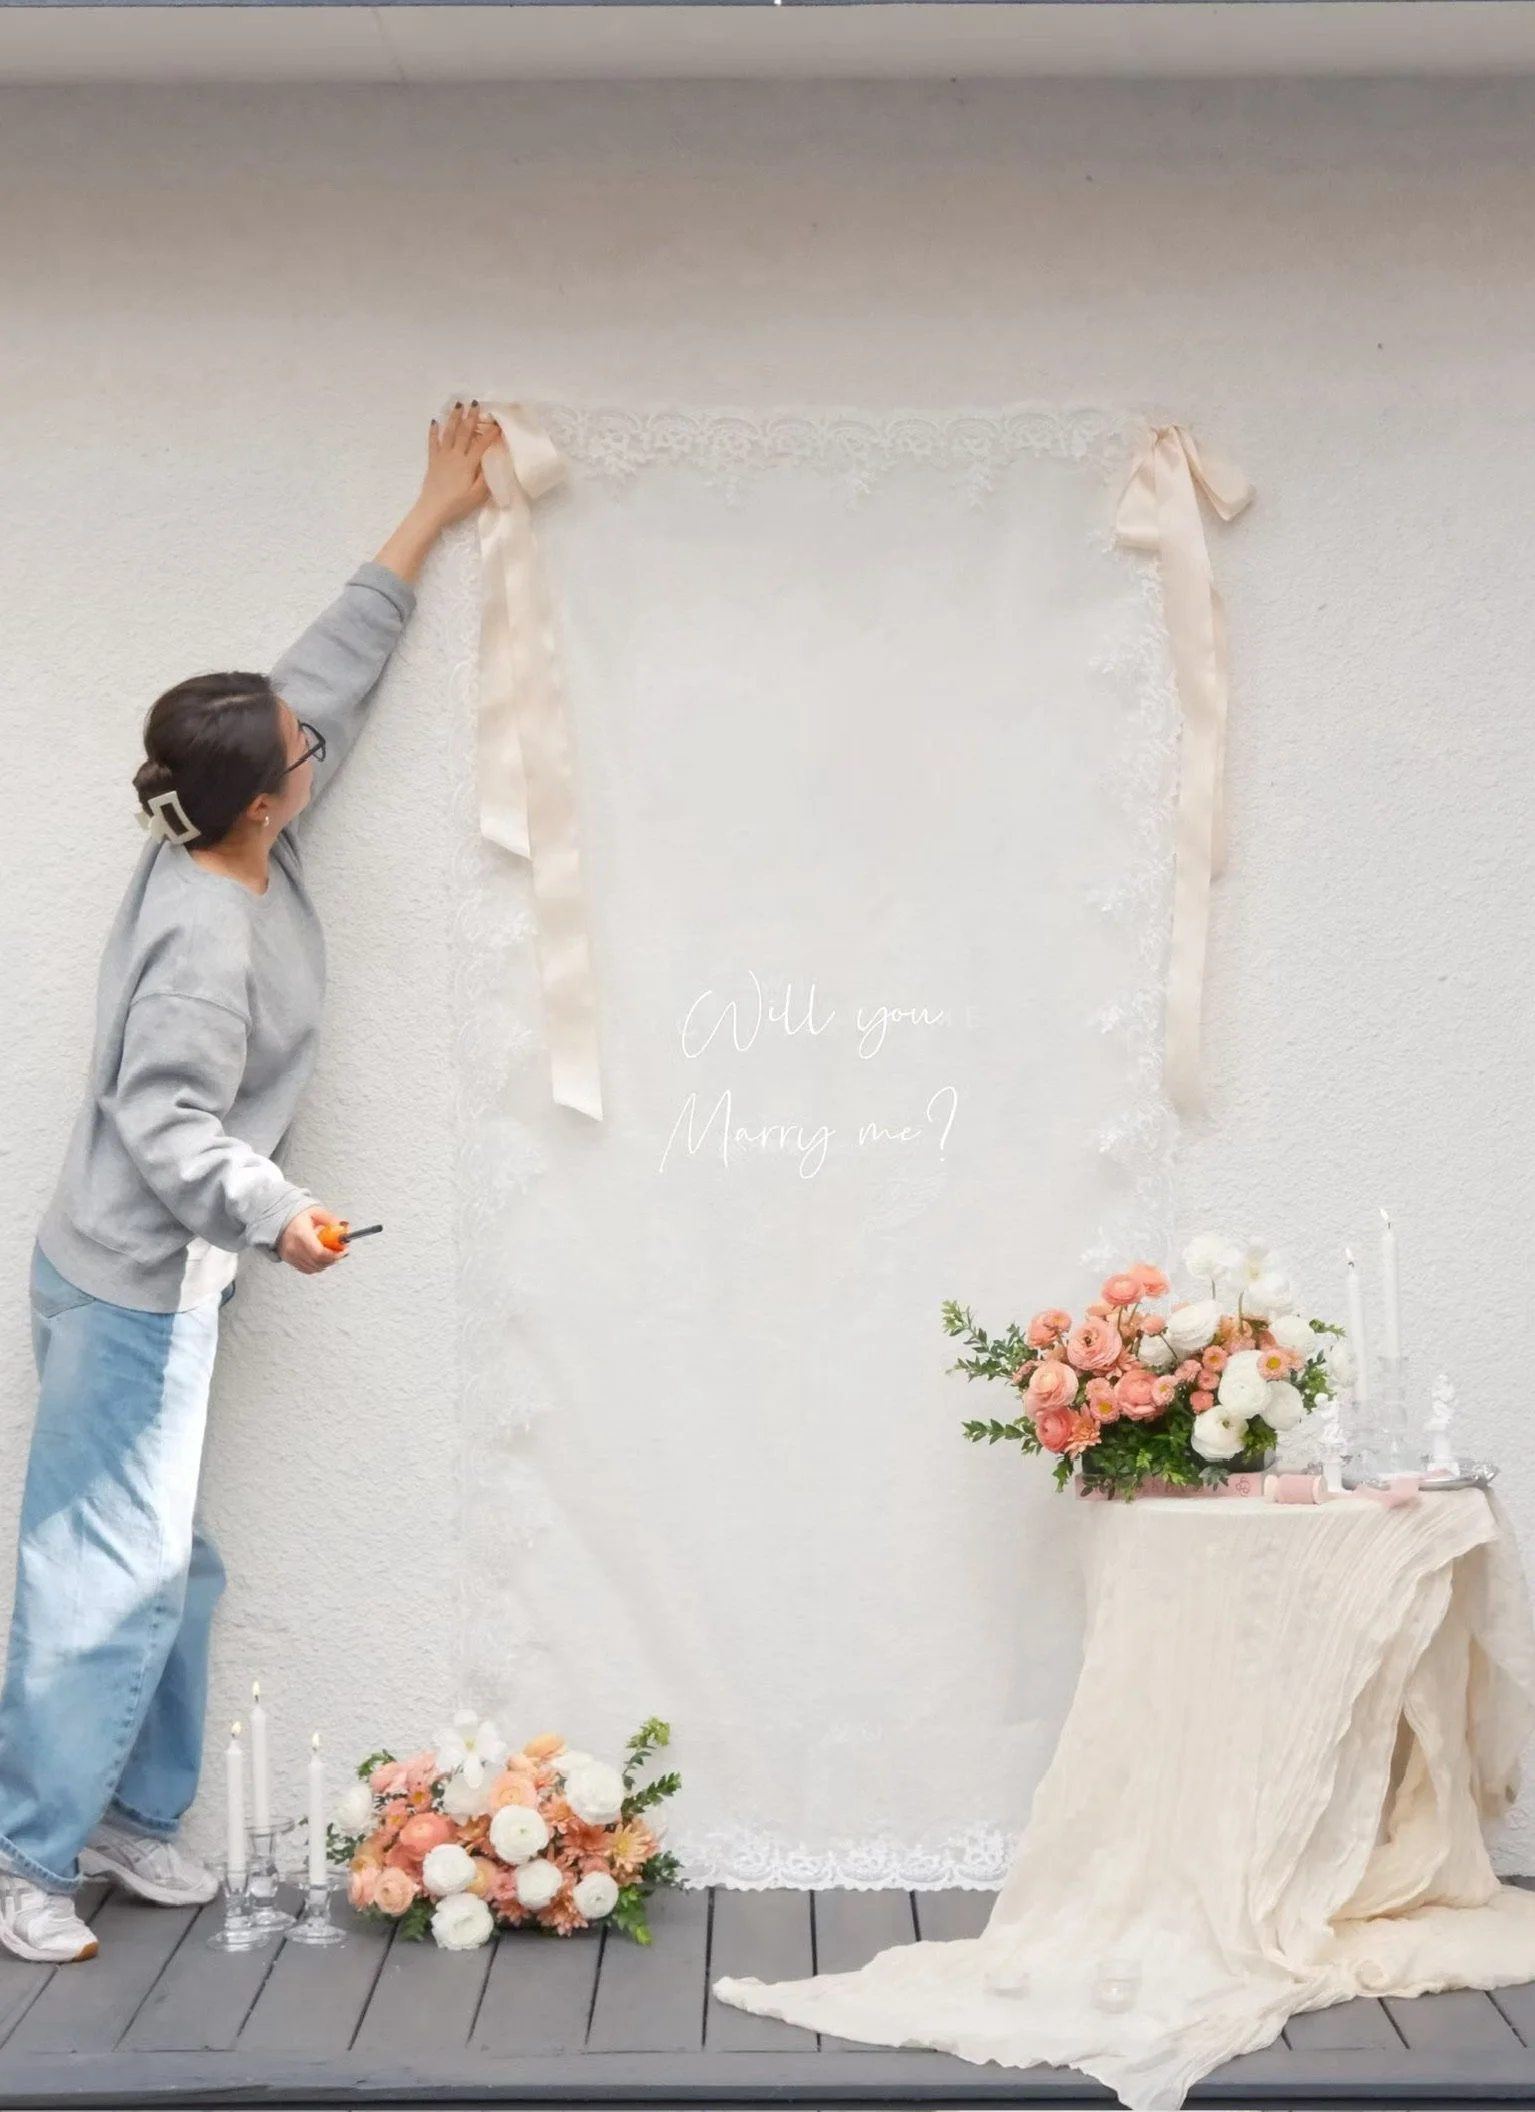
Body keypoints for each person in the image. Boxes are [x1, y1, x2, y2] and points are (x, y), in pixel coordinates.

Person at [0, 405, 499, 1963]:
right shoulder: (208, 942)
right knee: (100, 1578)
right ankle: (26, 1861)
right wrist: (281, 1214)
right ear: (270, 799)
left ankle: (136, 1824)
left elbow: (321, 677)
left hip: (162, 1282)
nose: (314, 742)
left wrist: (427, 512)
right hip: (132, 1284)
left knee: (171, 1568)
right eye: (299, 754)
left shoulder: (224, 828)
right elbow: (165, 1124)